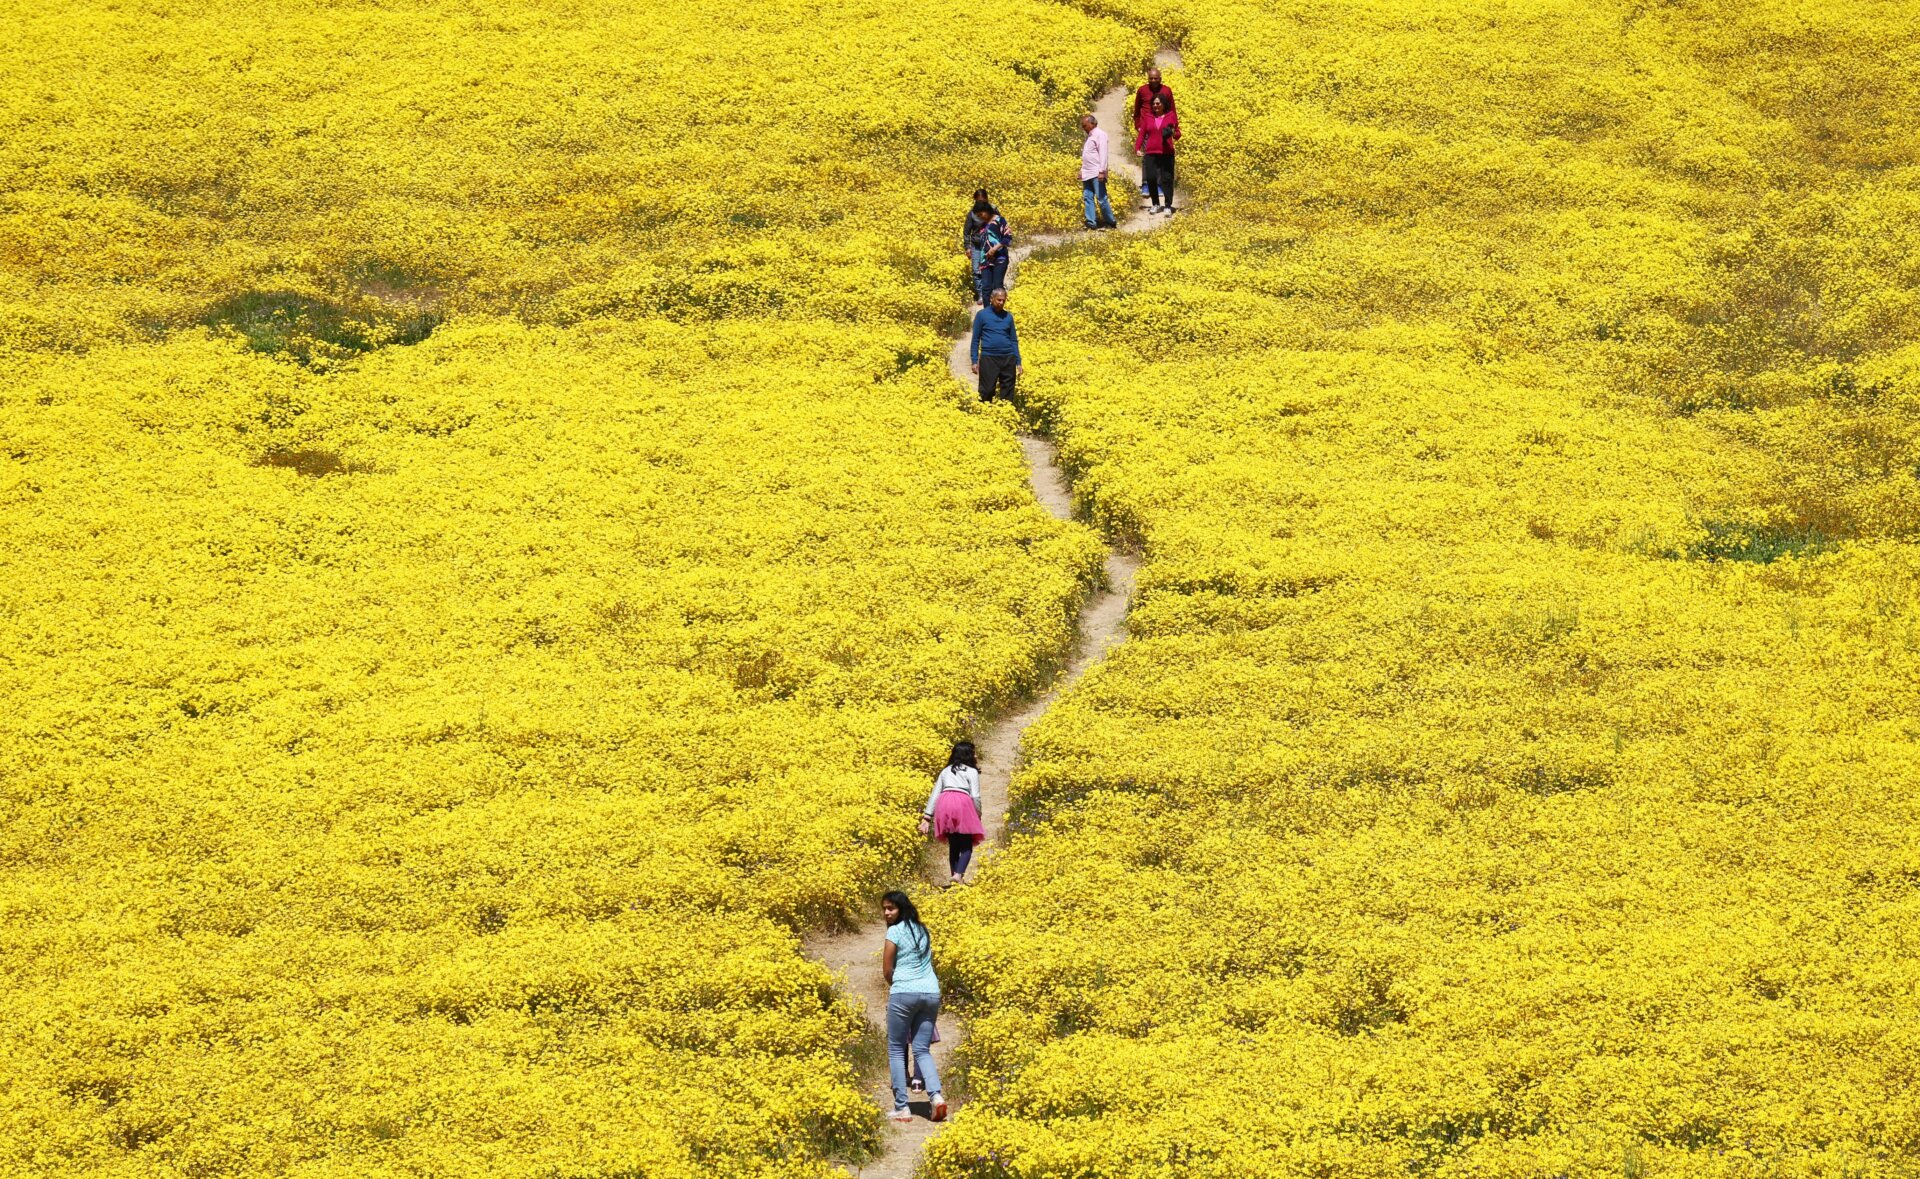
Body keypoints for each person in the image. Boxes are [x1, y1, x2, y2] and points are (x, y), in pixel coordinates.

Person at [881, 890, 945, 1124]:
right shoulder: (922, 929)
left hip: (904, 993)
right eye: (885, 909)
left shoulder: (895, 931)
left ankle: (902, 1108)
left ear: (902, 909)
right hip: (931, 992)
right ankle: (936, 1097)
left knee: (897, 1049)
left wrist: (896, 986)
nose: (887, 913)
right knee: (922, 1049)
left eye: (891, 908)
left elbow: (887, 969)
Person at [919, 740, 985, 886]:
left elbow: (935, 794)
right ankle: (958, 874)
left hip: (944, 802)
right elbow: (975, 795)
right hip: (963, 803)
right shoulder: (972, 771)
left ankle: (955, 877)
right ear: (969, 755)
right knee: (966, 844)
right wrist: (978, 813)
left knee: (954, 844)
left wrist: (927, 817)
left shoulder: (946, 770)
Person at [969, 288, 1023, 403]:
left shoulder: (1008, 317)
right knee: (986, 391)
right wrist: (974, 360)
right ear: (991, 299)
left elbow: (1013, 340)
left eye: (1003, 300)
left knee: (1008, 393)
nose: (1001, 303)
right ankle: (985, 416)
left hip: (1008, 358)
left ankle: (1006, 416)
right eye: (999, 300)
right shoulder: (982, 315)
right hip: (989, 357)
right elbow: (975, 340)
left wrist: (1018, 362)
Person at [1131, 66, 1175, 196]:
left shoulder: (1167, 91)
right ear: (1148, 79)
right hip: (1147, 127)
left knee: (1161, 156)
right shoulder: (1142, 90)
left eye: (1156, 78)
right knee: (1147, 157)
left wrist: (1173, 127)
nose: (1153, 80)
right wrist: (1138, 125)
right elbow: (1137, 109)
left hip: (1162, 127)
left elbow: (1172, 109)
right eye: (1151, 78)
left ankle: (1159, 184)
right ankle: (1146, 184)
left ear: (1160, 79)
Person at [1135, 94, 1181, 214]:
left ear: (1163, 104)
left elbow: (1177, 134)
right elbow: (1142, 134)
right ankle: (1155, 203)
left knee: (1167, 179)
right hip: (1151, 152)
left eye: (1158, 103)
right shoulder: (1147, 117)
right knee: (1150, 178)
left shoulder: (1171, 116)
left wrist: (1172, 132)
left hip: (1166, 152)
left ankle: (1167, 205)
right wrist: (1138, 148)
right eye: (1154, 104)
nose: (1156, 106)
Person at [1079, 114, 1118, 231]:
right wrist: (1082, 170)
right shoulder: (1090, 137)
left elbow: (1103, 154)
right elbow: (1088, 156)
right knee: (1087, 197)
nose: (1083, 128)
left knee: (1101, 198)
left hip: (1096, 172)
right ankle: (1091, 222)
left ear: (1092, 124)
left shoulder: (1100, 135)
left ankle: (1111, 221)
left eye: (1085, 126)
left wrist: (1102, 171)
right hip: (1087, 172)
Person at [970, 202, 1011, 306]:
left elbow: (1008, 238)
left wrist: (995, 248)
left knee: (997, 286)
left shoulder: (1000, 220)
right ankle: (987, 314)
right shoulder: (983, 225)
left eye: (981, 215)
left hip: (1000, 259)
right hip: (985, 260)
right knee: (986, 288)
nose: (980, 218)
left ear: (987, 210)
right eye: (978, 216)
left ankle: (999, 311)